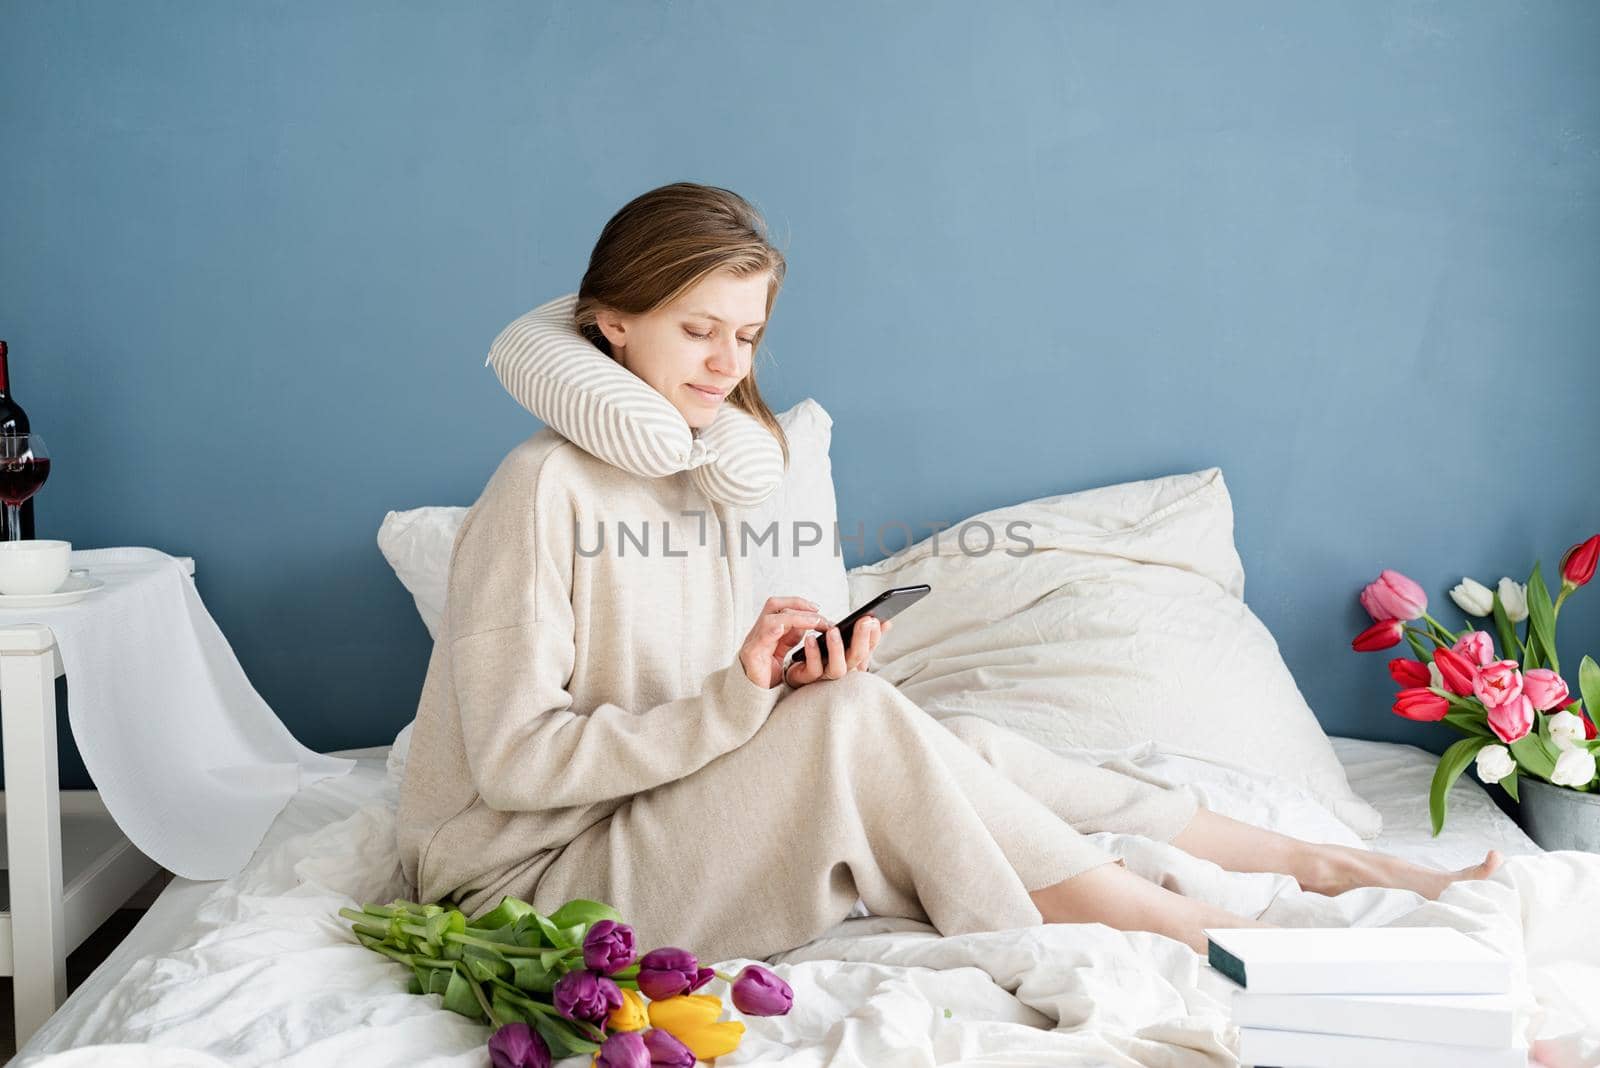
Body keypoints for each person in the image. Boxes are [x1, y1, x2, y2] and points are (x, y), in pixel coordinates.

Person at [396, 181, 1500, 964]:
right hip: (531, 884)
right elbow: (515, 764)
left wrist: (782, 677)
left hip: (646, 814)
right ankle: (1198, 935)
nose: (730, 368)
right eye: (698, 332)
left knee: (919, 728)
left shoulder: (700, 474)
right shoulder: (541, 488)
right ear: (611, 328)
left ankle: (1318, 863)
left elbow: (687, 709)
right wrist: (743, 706)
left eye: (748, 337)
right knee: (855, 730)